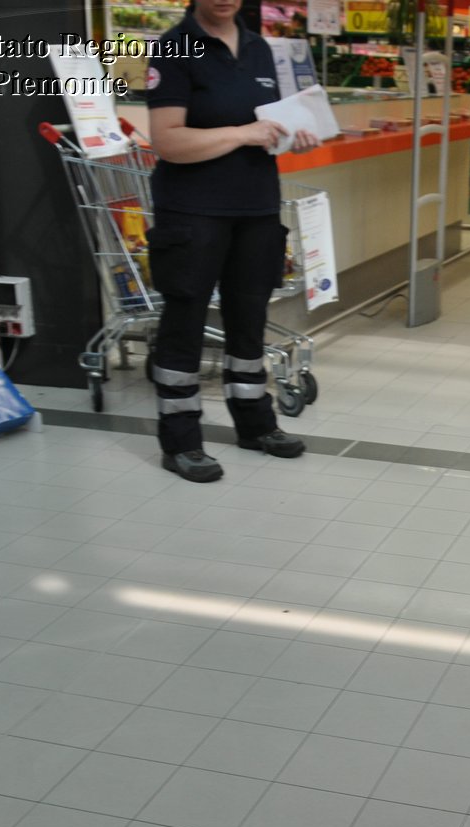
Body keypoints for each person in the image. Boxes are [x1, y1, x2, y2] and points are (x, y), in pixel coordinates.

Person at [145, 0, 317, 483]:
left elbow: (272, 125)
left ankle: (256, 424)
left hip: (257, 207)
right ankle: (181, 442)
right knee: (186, 321)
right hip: (193, 210)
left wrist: (292, 136)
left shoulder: (262, 49)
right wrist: (243, 133)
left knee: (250, 319)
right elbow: (168, 141)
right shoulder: (174, 48)